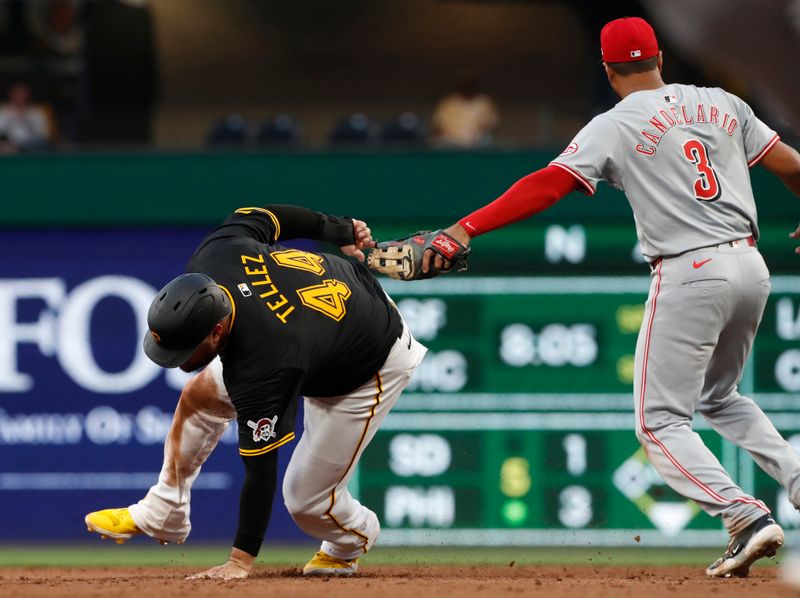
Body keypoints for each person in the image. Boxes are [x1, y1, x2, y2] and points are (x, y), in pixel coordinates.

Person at [419, 17, 800, 578]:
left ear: (607, 68)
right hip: (751, 263)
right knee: (719, 396)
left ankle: (744, 517)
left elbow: (550, 183)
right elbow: (791, 164)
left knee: (660, 422)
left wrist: (466, 227)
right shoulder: (721, 102)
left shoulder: (616, 122)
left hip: (690, 269)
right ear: (661, 57)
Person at [84, 204, 427, 579]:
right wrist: (340, 229)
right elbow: (269, 215)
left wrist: (239, 562)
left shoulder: (264, 363)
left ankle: (351, 540)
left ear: (216, 331)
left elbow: (260, 472)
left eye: (186, 351)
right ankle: (165, 509)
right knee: (199, 397)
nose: (179, 361)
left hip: (368, 362)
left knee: (304, 501)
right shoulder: (217, 252)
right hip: (332, 310)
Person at [431, 75, 499, 148]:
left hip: (476, 143)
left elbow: (491, 124)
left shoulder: (484, 103)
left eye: (469, 85)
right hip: (451, 142)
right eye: (464, 85)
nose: (467, 87)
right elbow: (438, 125)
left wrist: (474, 135)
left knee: (487, 139)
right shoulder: (448, 103)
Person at [0, 81, 51, 152]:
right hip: (9, 145)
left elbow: (44, 134)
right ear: (11, 95)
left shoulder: (36, 112)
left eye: (22, 94)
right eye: (17, 93)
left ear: (28, 95)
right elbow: (1, 131)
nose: (20, 97)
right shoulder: (4, 111)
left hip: (32, 145)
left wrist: (26, 119)